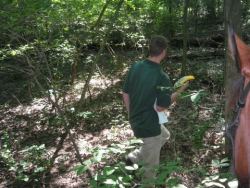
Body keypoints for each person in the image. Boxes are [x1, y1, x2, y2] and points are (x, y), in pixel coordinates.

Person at [122, 35, 188, 186]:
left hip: (136, 119)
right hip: (149, 125)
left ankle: (132, 158)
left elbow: (126, 93)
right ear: (164, 52)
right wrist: (179, 91)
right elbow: (161, 107)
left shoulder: (136, 66)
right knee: (151, 168)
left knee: (165, 135)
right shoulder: (161, 76)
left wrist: (130, 112)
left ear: (148, 49)